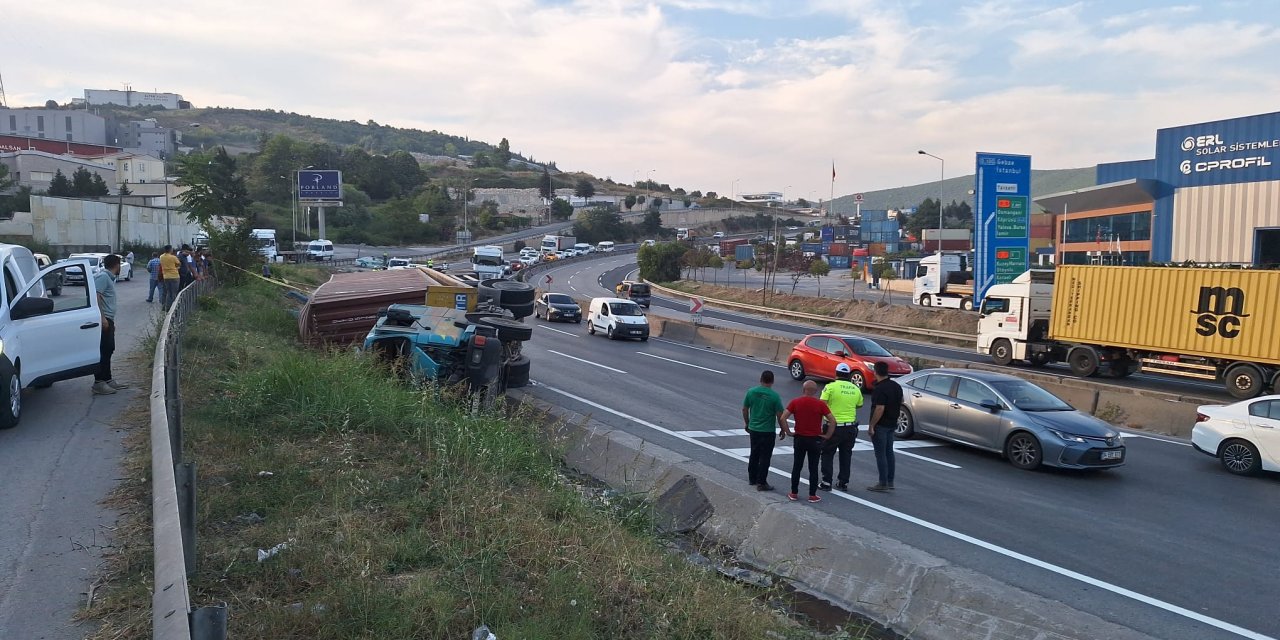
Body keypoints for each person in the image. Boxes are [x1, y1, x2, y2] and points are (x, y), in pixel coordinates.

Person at [781, 380, 835, 503]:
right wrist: (827, 435)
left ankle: (794, 493)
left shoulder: (795, 402)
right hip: (815, 439)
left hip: (800, 438)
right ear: (815, 391)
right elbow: (832, 421)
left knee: (797, 466)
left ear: (803, 389)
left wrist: (788, 432)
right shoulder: (820, 404)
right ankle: (812, 495)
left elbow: (783, 417)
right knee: (813, 467)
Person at [819, 363, 864, 491]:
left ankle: (826, 482)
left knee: (827, 453)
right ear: (849, 375)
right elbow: (859, 405)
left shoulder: (830, 387)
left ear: (836, 373)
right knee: (846, 455)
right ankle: (843, 482)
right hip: (850, 428)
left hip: (833, 427)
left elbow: (822, 404)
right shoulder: (855, 388)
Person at [91, 254, 129, 395]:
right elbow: (96, 297)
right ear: (117, 264)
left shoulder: (108, 278)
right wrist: (103, 318)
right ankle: (99, 382)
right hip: (104, 318)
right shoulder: (103, 277)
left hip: (109, 319)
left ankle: (108, 379)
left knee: (109, 349)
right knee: (104, 350)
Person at [742, 370, 785, 492]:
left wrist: (747, 423)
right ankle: (762, 482)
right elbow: (779, 414)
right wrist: (783, 429)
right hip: (768, 431)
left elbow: (745, 409)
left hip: (754, 429)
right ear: (772, 381)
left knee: (754, 453)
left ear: (760, 379)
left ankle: (752, 478)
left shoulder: (751, 392)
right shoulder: (774, 396)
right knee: (765, 457)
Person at [867, 362, 904, 492]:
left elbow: (879, 408)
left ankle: (882, 483)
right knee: (889, 453)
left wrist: (872, 425)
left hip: (881, 425)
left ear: (875, 372)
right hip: (892, 423)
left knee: (880, 454)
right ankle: (890, 481)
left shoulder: (880, 389)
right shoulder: (896, 386)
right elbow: (901, 401)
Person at [159, 245, 181, 310]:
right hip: (174, 276)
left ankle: (166, 307)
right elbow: (179, 264)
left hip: (166, 276)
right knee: (174, 292)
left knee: (168, 292)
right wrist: (177, 267)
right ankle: (173, 308)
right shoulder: (173, 257)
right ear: (170, 250)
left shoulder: (161, 257)